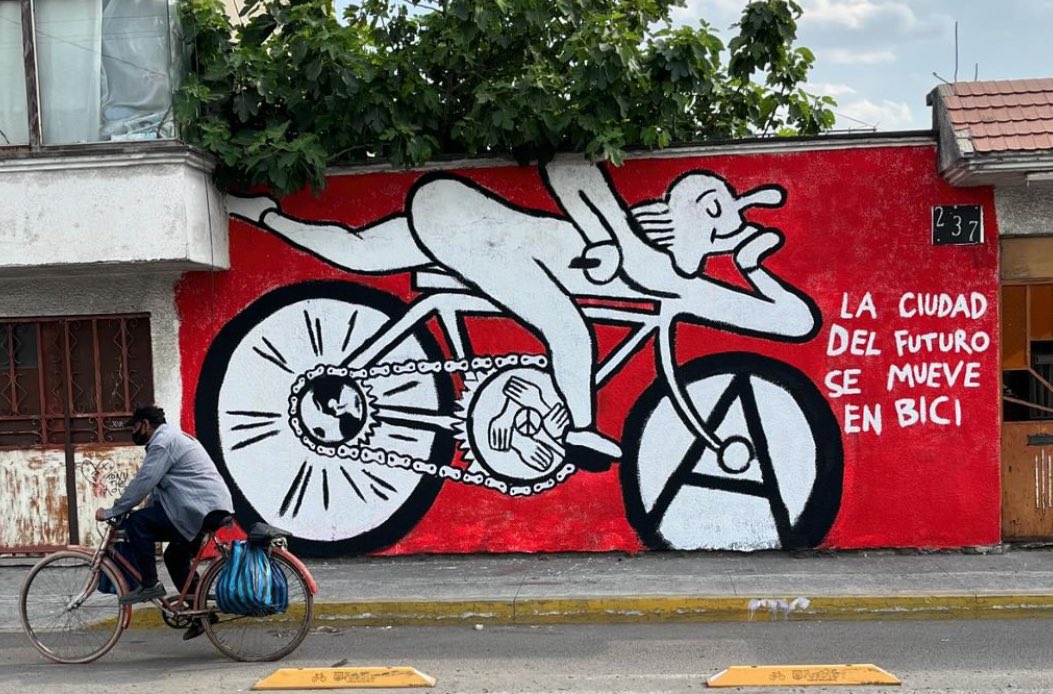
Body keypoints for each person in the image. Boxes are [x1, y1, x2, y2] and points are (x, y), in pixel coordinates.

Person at [227, 160, 819, 463]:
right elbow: (567, 167)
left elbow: (793, 321)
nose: (714, 224)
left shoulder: (669, 277)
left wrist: (754, 267)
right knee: (569, 331)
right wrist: (604, 234)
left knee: (356, 252)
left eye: (724, 220)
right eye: (711, 209)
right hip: (467, 218)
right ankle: (581, 433)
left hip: (460, 223)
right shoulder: (634, 242)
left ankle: (260, 215)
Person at [96, 404, 234, 639]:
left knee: (137, 523)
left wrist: (114, 511)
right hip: (205, 507)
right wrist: (138, 508)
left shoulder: (162, 442)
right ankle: (202, 615)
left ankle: (149, 583)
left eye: (135, 427)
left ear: (146, 425)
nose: (134, 433)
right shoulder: (172, 438)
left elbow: (145, 481)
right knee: (174, 557)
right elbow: (158, 491)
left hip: (199, 508)